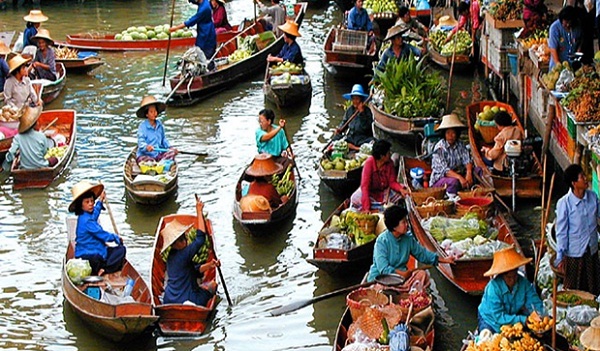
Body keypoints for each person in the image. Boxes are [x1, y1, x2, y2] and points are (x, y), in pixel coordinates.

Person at [367, 205, 455, 289]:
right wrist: (401, 274)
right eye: (404, 222)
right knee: (380, 288)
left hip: (402, 279)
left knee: (422, 274)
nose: (407, 225)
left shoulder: (408, 239)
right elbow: (383, 268)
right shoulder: (382, 241)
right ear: (394, 226)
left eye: (406, 221)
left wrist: (444, 260)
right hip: (382, 279)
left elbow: (422, 254)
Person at [161, 199, 219, 306]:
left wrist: (211, 265)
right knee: (212, 287)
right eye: (182, 239)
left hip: (169, 299)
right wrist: (198, 211)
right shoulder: (184, 254)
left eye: (185, 238)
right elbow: (200, 239)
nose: (186, 241)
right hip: (188, 299)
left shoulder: (171, 256)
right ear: (175, 244)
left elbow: (195, 270)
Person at [554, 164, 600, 295]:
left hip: (591, 250)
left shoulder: (592, 197)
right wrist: (560, 256)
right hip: (574, 254)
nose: (586, 179)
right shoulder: (565, 203)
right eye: (582, 177)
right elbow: (561, 232)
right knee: (574, 291)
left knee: (593, 288)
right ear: (574, 183)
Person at [478, 246, 544, 333]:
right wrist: (523, 319)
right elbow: (498, 317)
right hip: (490, 320)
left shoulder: (523, 283)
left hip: (511, 316)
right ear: (502, 275)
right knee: (487, 337)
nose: (512, 280)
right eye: (509, 277)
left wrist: (539, 315)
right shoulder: (493, 289)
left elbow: (533, 301)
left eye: (515, 276)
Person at [69, 180, 126, 276]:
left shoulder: (87, 214)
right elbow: (102, 234)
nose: (91, 204)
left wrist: (100, 201)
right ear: (81, 205)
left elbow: (95, 213)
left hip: (98, 249)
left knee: (121, 250)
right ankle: (104, 269)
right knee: (97, 259)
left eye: (92, 201)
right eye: (87, 202)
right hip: (86, 254)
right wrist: (116, 238)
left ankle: (102, 267)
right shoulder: (87, 221)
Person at [350, 139, 409, 212]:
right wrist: (367, 208)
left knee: (402, 194)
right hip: (371, 192)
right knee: (355, 198)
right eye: (388, 153)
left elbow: (392, 182)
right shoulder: (369, 163)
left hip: (384, 191)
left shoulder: (390, 163)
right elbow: (365, 187)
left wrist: (401, 189)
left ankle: (380, 207)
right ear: (382, 156)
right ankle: (377, 208)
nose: (390, 154)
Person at [1, 105, 58, 172]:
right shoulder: (41, 136)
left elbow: (12, 152)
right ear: (35, 124)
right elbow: (44, 152)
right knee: (54, 159)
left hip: (24, 167)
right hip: (42, 165)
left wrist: (9, 160)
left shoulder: (17, 137)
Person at [430, 114, 476, 195]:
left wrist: (468, 173)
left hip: (459, 174)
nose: (451, 136)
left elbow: (467, 160)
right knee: (454, 182)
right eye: (448, 133)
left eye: (453, 133)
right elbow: (445, 170)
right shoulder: (439, 148)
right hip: (441, 179)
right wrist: (460, 177)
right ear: (444, 134)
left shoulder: (460, 145)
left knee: (477, 171)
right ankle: (452, 199)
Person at [170, 0, 217, 69]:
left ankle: (210, 72)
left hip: (206, 36)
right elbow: (193, 1)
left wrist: (175, 28)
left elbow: (191, 21)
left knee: (207, 59)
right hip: (204, 34)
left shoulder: (204, 9)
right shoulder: (204, 2)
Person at [332, 84, 374, 151]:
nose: (355, 101)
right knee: (335, 139)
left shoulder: (367, 111)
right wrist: (339, 129)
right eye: (353, 98)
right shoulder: (349, 110)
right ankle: (354, 147)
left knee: (373, 142)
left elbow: (366, 127)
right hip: (351, 137)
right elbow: (344, 122)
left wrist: (362, 113)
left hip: (363, 138)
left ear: (361, 100)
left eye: (357, 99)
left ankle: (354, 148)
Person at [136, 96, 177, 163]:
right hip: (146, 155)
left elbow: (163, 139)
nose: (154, 113)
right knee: (147, 161)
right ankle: (156, 165)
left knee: (172, 153)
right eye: (151, 112)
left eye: (155, 111)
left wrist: (170, 148)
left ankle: (159, 164)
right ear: (147, 114)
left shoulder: (159, 125)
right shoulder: (142, 127)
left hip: (158, 154)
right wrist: (146, 147)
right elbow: (141, 142)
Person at [548, 6, 581, 70]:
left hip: (572, 66)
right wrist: (559, 66)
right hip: (557, 67)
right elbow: (553, 49)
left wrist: (578, 52)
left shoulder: (577, 26)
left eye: (570, 22)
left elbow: (580, 40)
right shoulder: (555, 28)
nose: (568, 25)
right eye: (566, 23)